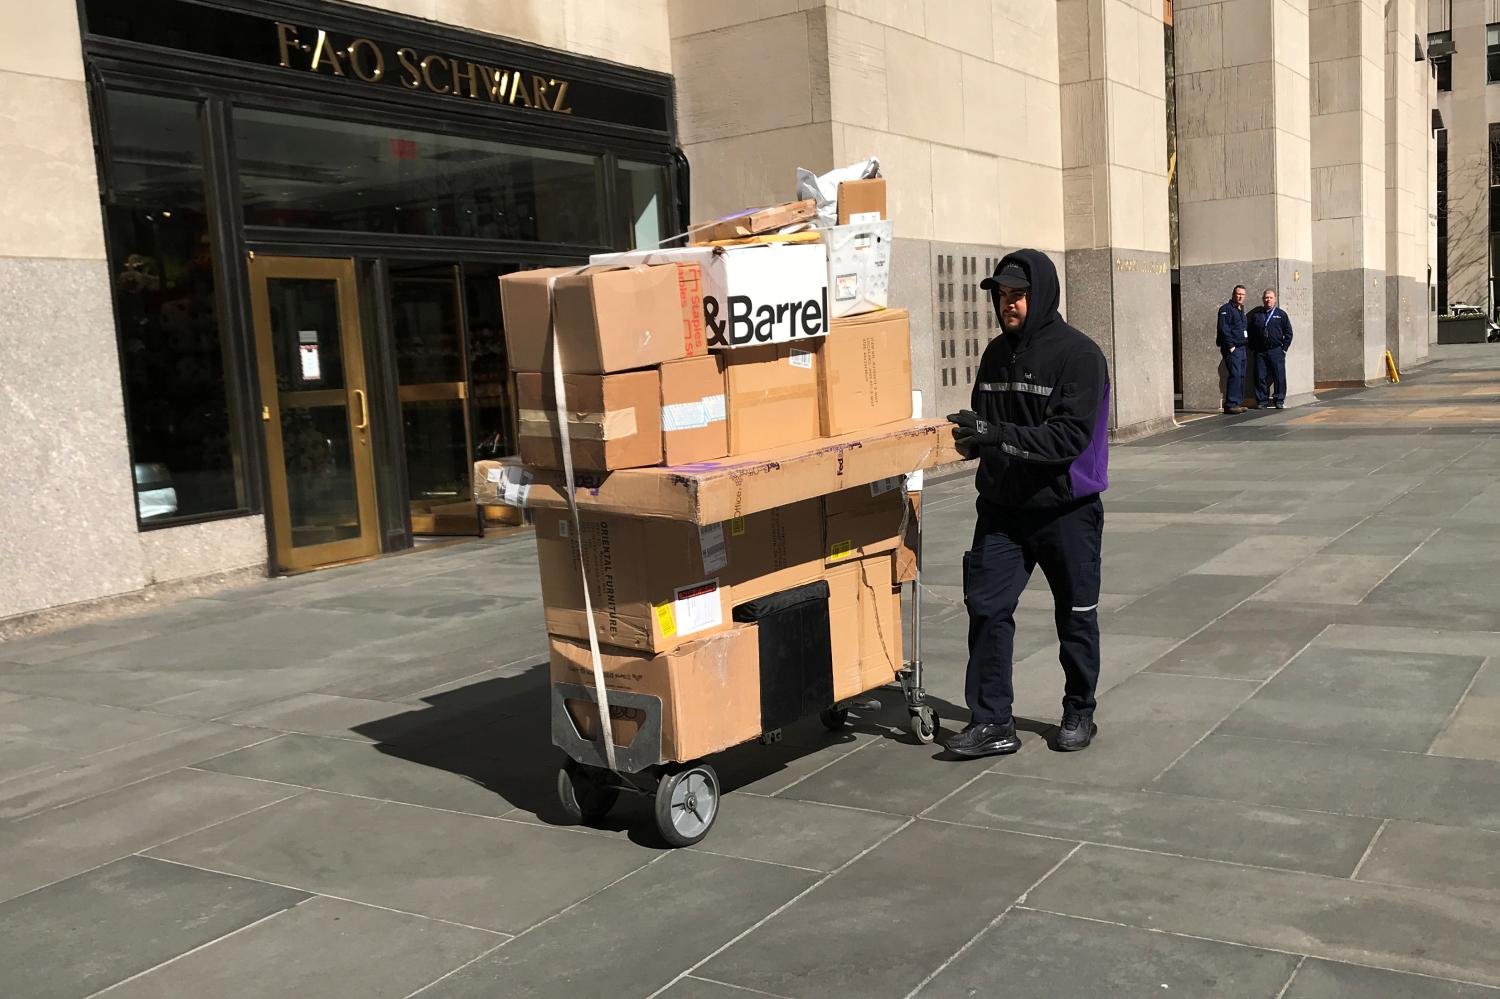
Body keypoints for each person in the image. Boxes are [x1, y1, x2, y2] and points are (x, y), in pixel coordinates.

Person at [945, 249, 1110, 758]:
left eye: (1018, 294)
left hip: (1066, 511)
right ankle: (993, 722)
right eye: (1002, 295)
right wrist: (972, 439)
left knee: (1076, 615)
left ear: (1041, 295)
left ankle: (1079, 709)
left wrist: (997, 434)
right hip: (1003, 510)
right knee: (987, 608)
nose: (1008, 304)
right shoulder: (995, 354)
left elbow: (1067, 438)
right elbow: (985, 421)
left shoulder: (1079, 355)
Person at [1248, 287, 1294, 409]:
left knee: (1279, 376)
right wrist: (1252, 347)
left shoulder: (1281, 314)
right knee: (1260, 376)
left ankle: (1279, 400)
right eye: (1266, 298)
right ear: (1263, 299)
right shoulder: (1257, 315)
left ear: (1275, 299)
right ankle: (1262, 401)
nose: (1268, 300)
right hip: (1260, 351)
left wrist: (1284, 348)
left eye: (1271, 298)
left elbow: (1289, 333)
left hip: (1276, 350)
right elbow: (1250, 332)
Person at [1217, 285, 1249, 414]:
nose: (1240, 296)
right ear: (1233, 294)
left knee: (1241, 375)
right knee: (1235, 374)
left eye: (1243, 294)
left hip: (1242, 348)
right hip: (1233, 348)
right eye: (1238, 294)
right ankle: (1230, 404)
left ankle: (1237, 402)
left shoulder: (1241, 310)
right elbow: (1223, 329)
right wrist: (1231, 346)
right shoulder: (1226, 309)